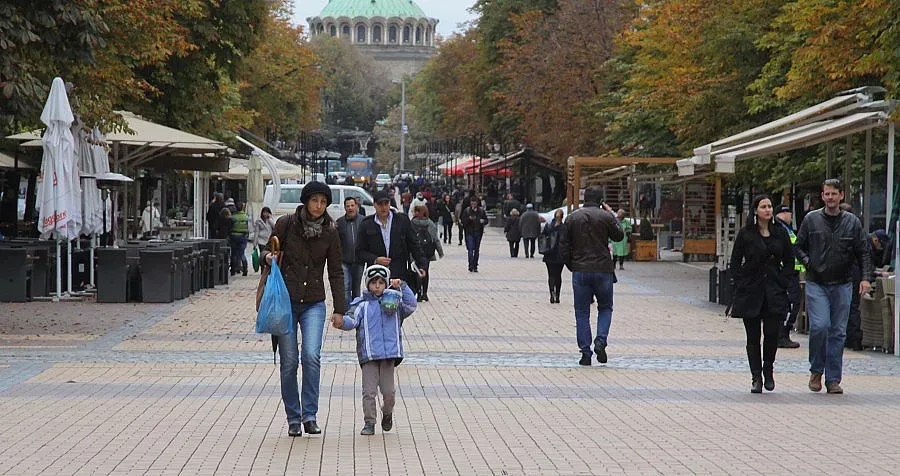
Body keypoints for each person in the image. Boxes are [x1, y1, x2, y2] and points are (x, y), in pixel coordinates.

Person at [262, 181, 345, 437]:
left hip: (314, 302)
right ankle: (293, 418)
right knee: (289, 362)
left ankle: (310, 415)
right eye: (315, 200)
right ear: (306, 201)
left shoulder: (330, 231)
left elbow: (335, 272)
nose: (319, 206)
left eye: (323, 202)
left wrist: (340, 308)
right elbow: (266, 250)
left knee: (311, 356)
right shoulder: (286, 224)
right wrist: (268, 257)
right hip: (285, 301)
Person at [795, 179, 873, 394]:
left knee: (838, 331)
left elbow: (863, 251)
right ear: (822, 196)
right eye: (826, 194)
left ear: (841, 196)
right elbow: (798, 246)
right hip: (816, 281)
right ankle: (816, 369)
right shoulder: (811, 220)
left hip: (843, 283)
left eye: (834, 194)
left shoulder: (852, 222)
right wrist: (809, 262)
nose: (830, 197)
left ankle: (833, 379)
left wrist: (866, 278)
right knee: (820, 326)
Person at [332, 265, 417, 436]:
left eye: (381, 282)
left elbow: (411, 304)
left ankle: (387, 412)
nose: (377, 286)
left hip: (388, 356)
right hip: (369, 355)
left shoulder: (394, 303)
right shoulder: (361, 304)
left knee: (389, 392)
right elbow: (352, 320)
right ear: (367, 284)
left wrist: (403, 287)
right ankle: (369, 422)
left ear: (386, 284)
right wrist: (341, 323)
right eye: (373, 283)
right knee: (369, 391)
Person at [729, 196, 794, 393]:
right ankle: (755, 376)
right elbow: (735, 261)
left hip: (774, 290)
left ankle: (769, 370)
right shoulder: (746, 234)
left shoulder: (780, 233)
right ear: (756, 211)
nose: (767, 210)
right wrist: (741, 283)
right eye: (763, 207)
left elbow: (789, 260)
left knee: (772, 334)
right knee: (753, 337)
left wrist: (783, 280)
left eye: (769, 206)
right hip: (751, 291)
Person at [559, 186, 624, 366]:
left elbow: (563, 246)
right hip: (603, 269)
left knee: (581, 312)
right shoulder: (605, 217)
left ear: (585, 198)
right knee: (605, 308)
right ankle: (600, 340)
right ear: (601, 200)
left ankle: (585, 353)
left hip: (580, 269)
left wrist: (572, 265)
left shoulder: (572, 218)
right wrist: (611, 214)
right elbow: (619, 236)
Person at [356, 190, 429, 288]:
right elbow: (359, 252)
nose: (383, 207)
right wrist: (375, 259)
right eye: (380, 204)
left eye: (386, 203)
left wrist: (422, 265)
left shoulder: (402, 221)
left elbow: (414, 245)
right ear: (374, 205)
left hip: (399, 275)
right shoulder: (366, 224)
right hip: (376, 278)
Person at [773, 205, 803, 349]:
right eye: (790, 214)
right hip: (786, 273)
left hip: (789, 272)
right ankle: (782, 335)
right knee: (791, 302)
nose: (791, 217)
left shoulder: (783, 227)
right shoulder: (781, 228)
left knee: (791, 302)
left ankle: (781, 334)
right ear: (784, 213)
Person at [410, 205, 444, 301]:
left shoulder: (412, 223)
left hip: (416, 251)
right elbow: (435, 239)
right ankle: (425, 293)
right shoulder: (431, 224)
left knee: (417, 271)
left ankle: (418, 292)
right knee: (426, 271)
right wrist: (440, 252)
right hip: (428, 252)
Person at [336, 197, 364, 304]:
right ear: (344, 208)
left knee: (356, 289)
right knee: (346, 289)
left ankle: (356, 313)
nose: (350, 208)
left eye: (352, 205)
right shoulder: (340, 222)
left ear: (357, 206)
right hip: (345, 262)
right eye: (348, 206)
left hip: (359, 262)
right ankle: (347, 312)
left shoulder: (363, 221)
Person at [459, 195, 489, 272]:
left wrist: (483, 221)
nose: (473, 205)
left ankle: (475, 265)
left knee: (476, 250)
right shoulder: (467, 211)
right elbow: (463, 222)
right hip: (469, 232)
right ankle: (471, 264)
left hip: (478, 232)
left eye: (474, 203)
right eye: (472, 203)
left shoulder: (481, 211)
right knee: (470, 249)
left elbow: (486, 220)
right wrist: (469, 219)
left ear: (477, 203)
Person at [542, 209, 566, 303]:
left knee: (551, 275)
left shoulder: (548, 226)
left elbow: (542, 236)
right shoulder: (564, 228)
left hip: (549, 254)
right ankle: (558, 296)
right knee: (558, 275)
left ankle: (552, 293)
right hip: (560, 255)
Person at [229, 202, 250, 276]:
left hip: (234, 235)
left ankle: (233, 270)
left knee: (234, 253)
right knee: (242, 253)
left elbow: (230, 226)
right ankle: (245, 269)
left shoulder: (233, 217)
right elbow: (249, 227)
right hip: (243, 236)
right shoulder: (246, 217)